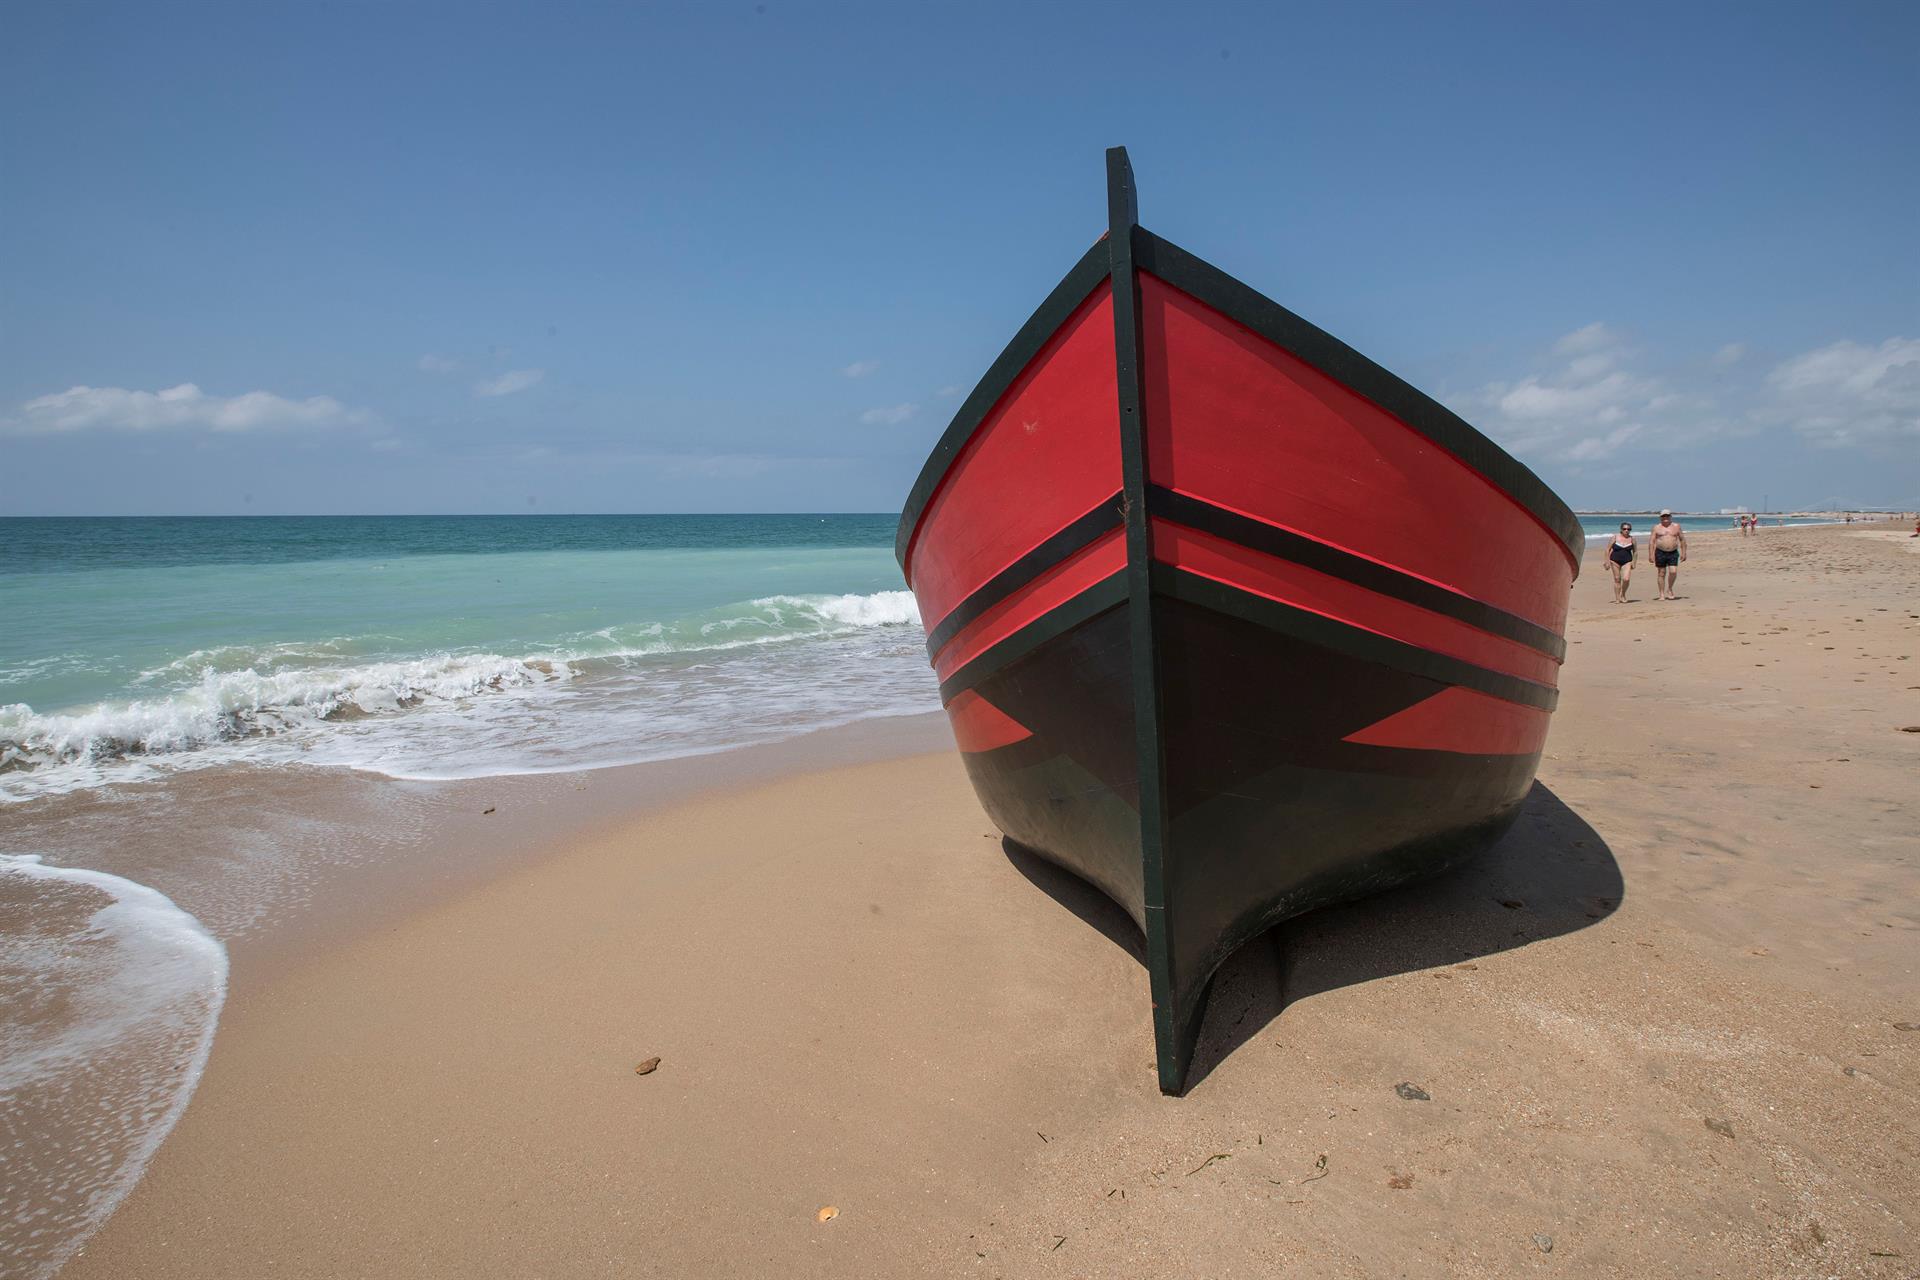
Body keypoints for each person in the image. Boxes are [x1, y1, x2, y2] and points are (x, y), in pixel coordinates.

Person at [1649, 509, 1687, 599]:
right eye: (1663, 516)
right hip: (1660, 552)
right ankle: (1661, 594)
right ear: (1660, 517)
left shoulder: (1676, 526)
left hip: (1673, 552)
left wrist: (1684, 552)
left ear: (1670, 517)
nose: (1665, 518)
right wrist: (1651, 554)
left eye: (1667, 516)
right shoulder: (1656, 527)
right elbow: (1652, 541)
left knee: (1673, 571)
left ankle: (1669, 589)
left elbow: (1682, 540)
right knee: (1661, 573)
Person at [1603, 520, 1637, 602]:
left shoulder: (1632, 539)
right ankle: (1617, 598)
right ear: (1621, 529)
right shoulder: (1615, 537)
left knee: (1626, 579)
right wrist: (1606, 561)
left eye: (1628, 529)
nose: (1626, 530)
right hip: (1614, 560)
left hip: (1627, 561)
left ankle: (1623, 594)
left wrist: (1634, 562)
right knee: (1617, 579)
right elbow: (1607, 549)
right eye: (1624, 529)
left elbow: (1635, 552)